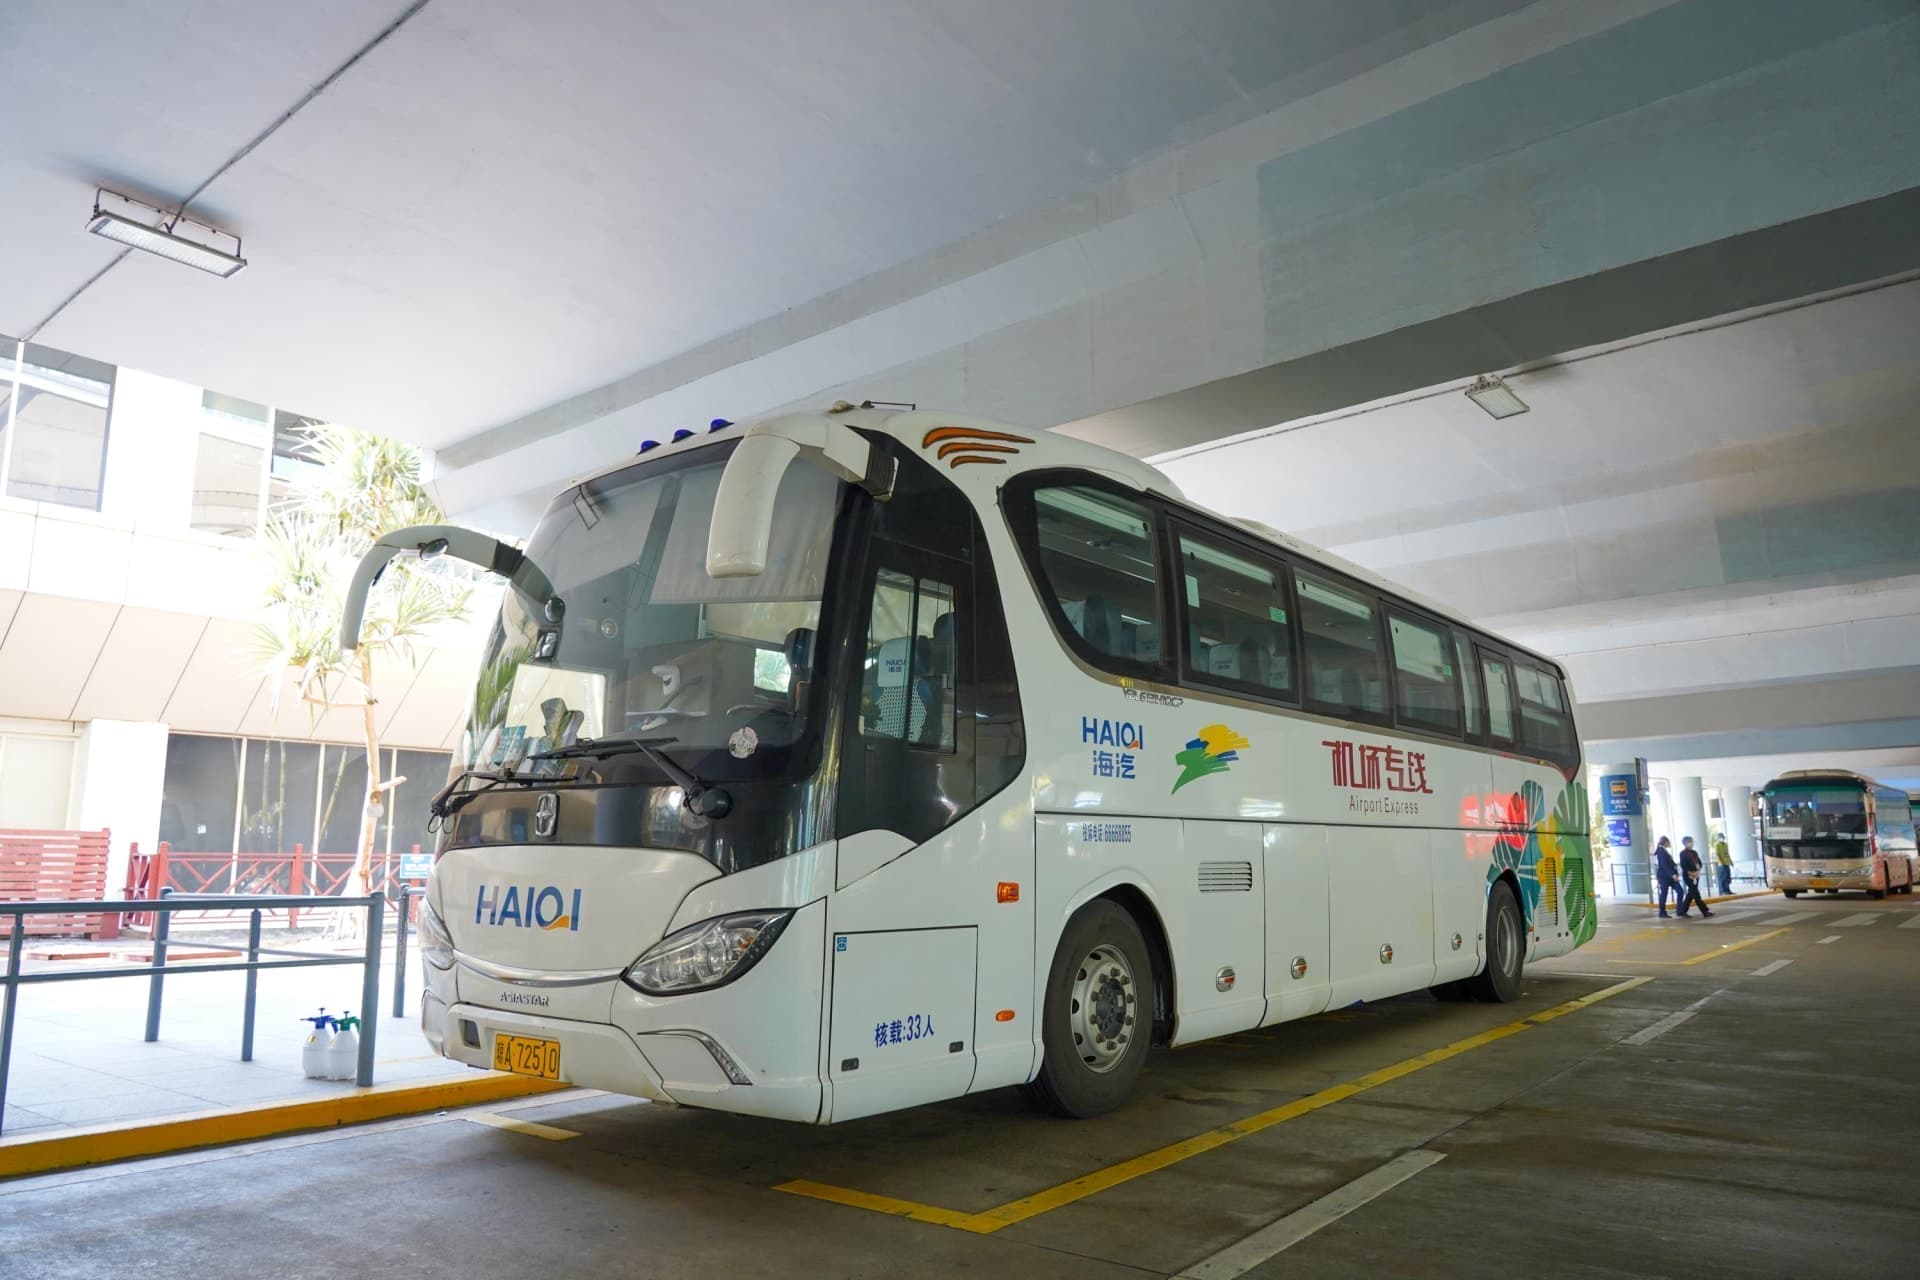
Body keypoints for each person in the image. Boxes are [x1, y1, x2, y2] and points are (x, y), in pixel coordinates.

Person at [1676, 836, 1713, 918]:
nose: (1691, 843)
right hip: (1688, 876)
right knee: (1696, 894)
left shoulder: (1694, 852)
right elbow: (1683, 865)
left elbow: (1699, 863)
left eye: (1691, 841)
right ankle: (1705, 911)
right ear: (1685, 844)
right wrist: (1690, 873)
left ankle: (1682, 911)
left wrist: (1698, 871)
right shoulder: (1683, 853)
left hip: (1696, 875)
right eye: (1689, 842)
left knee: (1691, 894)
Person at [1653, 837, 1680, 918]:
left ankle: (1679, 910)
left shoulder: (1663, 850)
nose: (1669, 843)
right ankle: (1662, 912)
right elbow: (1664, 865)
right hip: (1665, 877)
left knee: (1680, 891)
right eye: (1668, 842)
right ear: (1665, 842)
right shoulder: (1661, 850)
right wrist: (1672, 874)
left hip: (1669, 876)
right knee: (1664, 894)